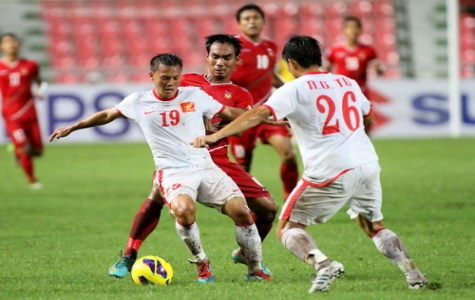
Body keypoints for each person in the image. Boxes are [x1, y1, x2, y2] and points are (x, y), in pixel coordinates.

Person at [192, 35, 427, 293]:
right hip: (367, 164)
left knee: (287, 229)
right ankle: (413, 274)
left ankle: (323, 264)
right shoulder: (346, 82)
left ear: (291, 63)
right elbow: (367, 116)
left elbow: (259, 115)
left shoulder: (294, 89)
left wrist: (215, 135)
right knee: (373, 225)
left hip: (329, 169)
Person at [49, 53, 272, 283]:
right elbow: (107, 114)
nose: (171, 83)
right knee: (184, 210)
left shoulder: (194, 95)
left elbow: (227, 112)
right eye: (165, 78)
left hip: (205, 165)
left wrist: (263, 116)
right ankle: (202, 263)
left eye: (175, 78)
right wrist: (74, 127)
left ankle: (255, 269)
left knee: (242, 211)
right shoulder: (138, 101)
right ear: (152, 76)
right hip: (173, 171)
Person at [107, 34, 278, 280]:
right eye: (215, 56)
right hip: (179, 158)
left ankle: (246, 253)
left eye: (226, 58)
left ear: (236, 61)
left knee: (268, 209)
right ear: (207, 57)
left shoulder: (240, 95)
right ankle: (128, 255)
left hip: (218, 159)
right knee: (157, 193)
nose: (220, 62)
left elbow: (243, 121)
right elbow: (158, 105)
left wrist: (227, 126)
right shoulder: (185, 82)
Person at [230, 4, 299, 200]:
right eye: (247, 19)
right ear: (239, 23)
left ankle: (290, 199)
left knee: (289, 155)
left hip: (267, 112)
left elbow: (269, 76)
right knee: (243, 168)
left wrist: (290, 91)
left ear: (263, 21)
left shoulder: (271, 47)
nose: (252, 22)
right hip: (241, 115)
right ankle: (249, 209)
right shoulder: (232, 48)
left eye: (255, 18)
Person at [323, 15, 384, 135]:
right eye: (349, 27)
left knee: (365, 123)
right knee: (342, 125)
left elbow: (379, 69)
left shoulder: (368, 50)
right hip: (340, 92)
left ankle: (365, 148)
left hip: (361, 93)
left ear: (360, 30)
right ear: (343, 30)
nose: (353, 30)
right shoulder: (334, 50)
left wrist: (379, 69)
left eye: (356, 27)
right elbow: (325, 70)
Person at [0, 32, 47, 188]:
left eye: (13, 42)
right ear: (1, 46)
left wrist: (41, 90)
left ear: (18, 45)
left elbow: (40, 82)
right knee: (25, 148)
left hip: (30, 112)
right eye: (7, 42)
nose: (11, 45)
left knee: (38, 151)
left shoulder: (30, 65)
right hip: (11, 114)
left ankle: (15, 151)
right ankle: (32, 180)